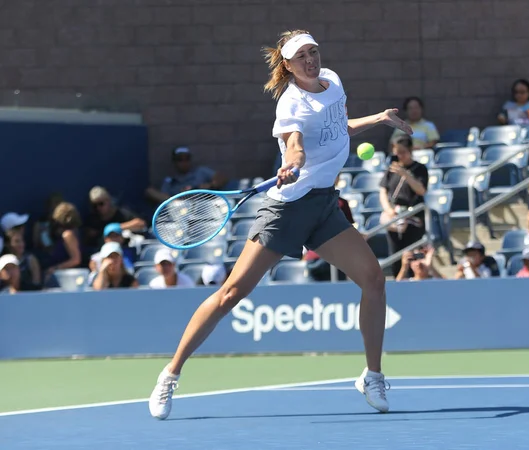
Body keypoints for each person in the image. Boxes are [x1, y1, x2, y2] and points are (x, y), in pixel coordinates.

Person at [148, 29, 413, 420]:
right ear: (287, 66)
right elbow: (296, 144)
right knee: (231, 293)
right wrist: (294, 161)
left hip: (324, 206)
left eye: (314, 51)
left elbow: (338, 128)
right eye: (301, 56)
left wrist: (378, 118)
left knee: (374, 280)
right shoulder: (291, 104)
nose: (311, 59)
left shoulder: (334, 82)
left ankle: (372, 375)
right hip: (287, 210)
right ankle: (170, 374)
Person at [379, 136, 428, 278]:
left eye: (403, 152)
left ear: (410, 150)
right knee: (395, 254)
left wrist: (405, 174)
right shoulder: (392, 169)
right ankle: (398, 280)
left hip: (413, 217)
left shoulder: (420, 169)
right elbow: (383, 191)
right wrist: (388, 209)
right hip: (395, 216)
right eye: (397, 152)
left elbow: (421, 190)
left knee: (412, 254)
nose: (400, 156)